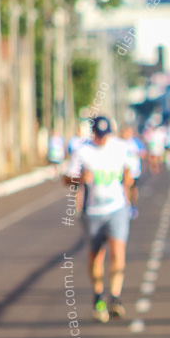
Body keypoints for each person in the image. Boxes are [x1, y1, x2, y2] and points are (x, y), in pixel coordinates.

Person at [63, 116, 135, 323]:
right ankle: (97, 297)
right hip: (92, 211)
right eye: (98, 135)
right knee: (97, 255)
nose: (102, 139)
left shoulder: (120, 147)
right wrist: (79, 178)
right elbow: (66, 178)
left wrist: (128, 181)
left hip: (117, 208)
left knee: (118, 251)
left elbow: (129, 170)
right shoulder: (82, 151)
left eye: (105, 135)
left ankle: (115, 297)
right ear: (93, 133)